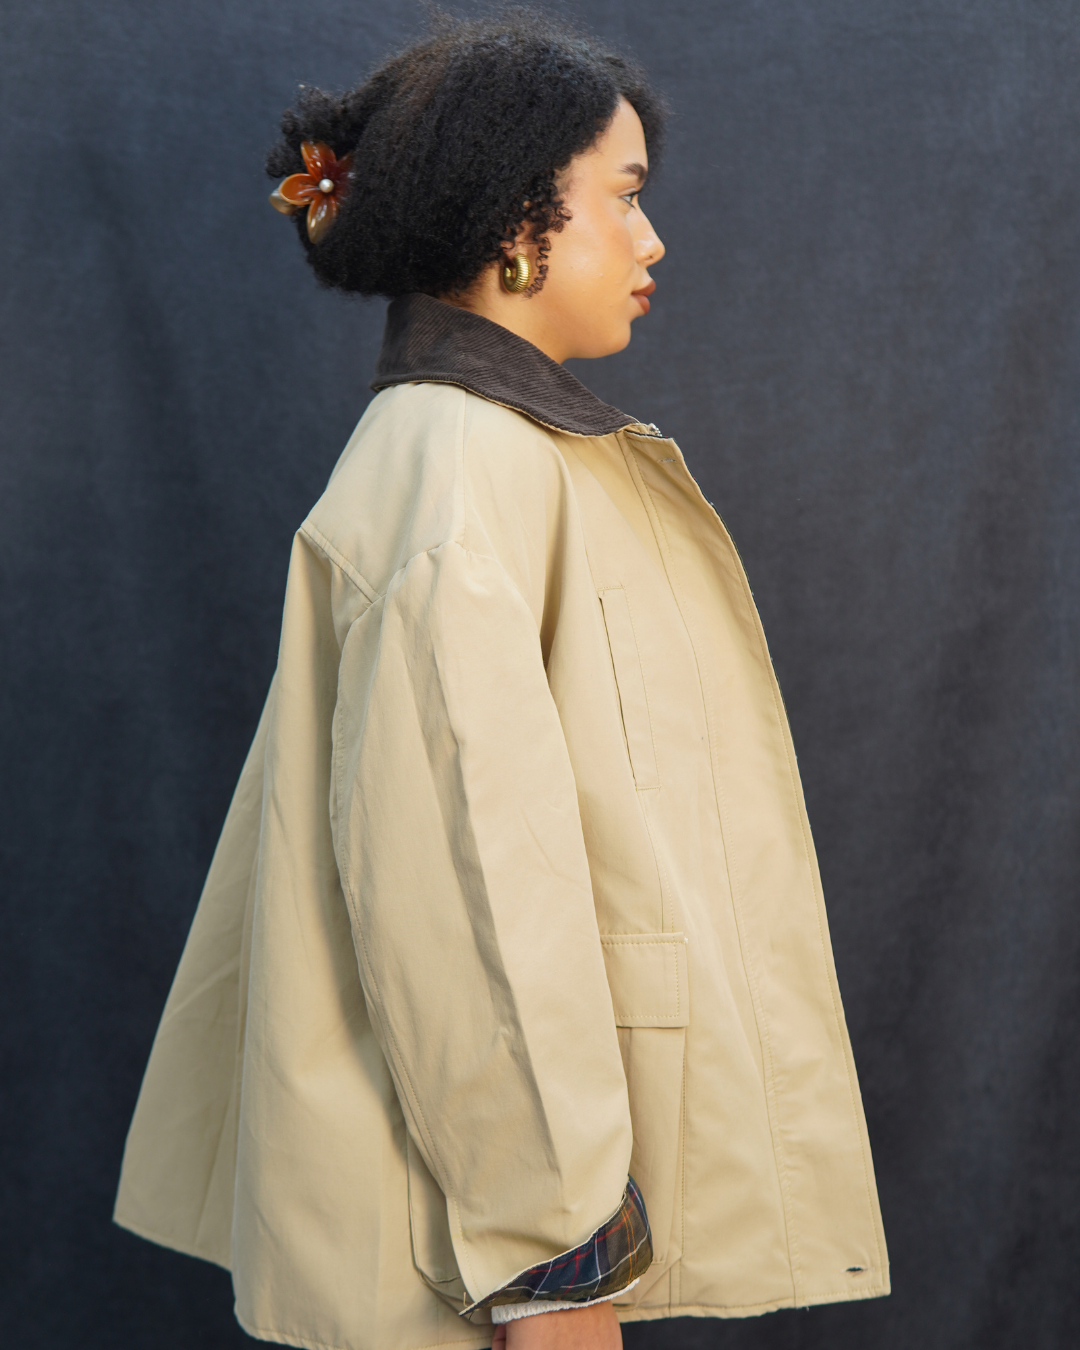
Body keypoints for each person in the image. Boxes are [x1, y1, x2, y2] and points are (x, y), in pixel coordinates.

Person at [114, 11, 889, 1350]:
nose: (652, 240)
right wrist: (558, 1257)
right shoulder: (463, 472)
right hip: (469, 1251)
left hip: (469, 1215)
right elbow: (468, 885)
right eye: (625, 197)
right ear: (518, 219)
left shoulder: (485, 452)